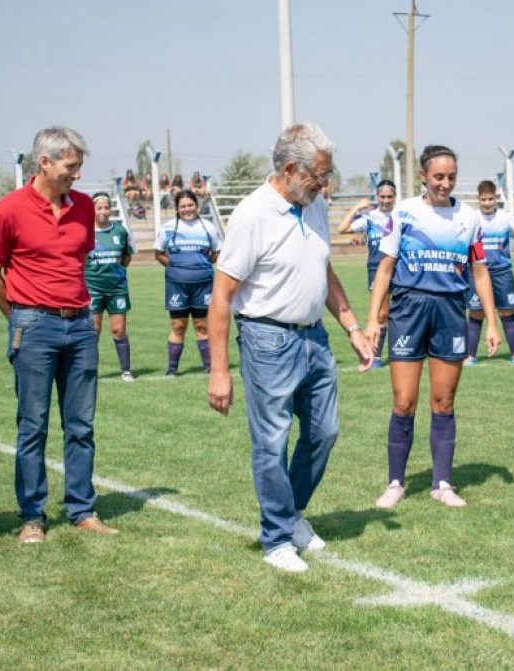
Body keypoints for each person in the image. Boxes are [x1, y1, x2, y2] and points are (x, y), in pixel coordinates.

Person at [206, 122, 371, 573]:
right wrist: (219, 371)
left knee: (325, 431)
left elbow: (324, 270)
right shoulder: (252, 215)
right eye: (320, 174)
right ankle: (277, 537)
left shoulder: (312, 205)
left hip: (314, 339)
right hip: (267, 340)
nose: (326, 184)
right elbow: (221, 296)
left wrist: (351, 326)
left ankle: (291, 513)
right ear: (291, 168)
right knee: (272, 440)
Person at [0, 126, 118, 543]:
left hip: (80, 325)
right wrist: (20, 315)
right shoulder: (7, 210)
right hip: (34, 326)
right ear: (45, 162)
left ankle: (82, 510)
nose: (77, 175)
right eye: (71, 166)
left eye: (78, 166)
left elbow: (77, 259)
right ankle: (32, 517)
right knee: (32, 425)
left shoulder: (81, 208)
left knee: (81, 425)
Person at [365, 145, 501, 510]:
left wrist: (491, 321)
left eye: (451, 177)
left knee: (443, 402)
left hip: (450, 311)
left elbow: (479, 271)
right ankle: (396, 483)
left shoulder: (469, 217)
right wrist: (372, 320)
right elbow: (385, 267)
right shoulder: (405, 212)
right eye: (438, 176)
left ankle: (442, 483)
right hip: (409, 309)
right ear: (424, 176)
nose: (445, 183)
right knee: (404, 402)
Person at [154, 189, 220, 376]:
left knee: (202, 325)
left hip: (203, 285)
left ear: (196, 206)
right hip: (177, 285)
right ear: (177, 209)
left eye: (190, 205)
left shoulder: (208, 227)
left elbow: (217, 252)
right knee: (178, 326)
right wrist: (175, 267)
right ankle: (172, 370)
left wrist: (202, 266)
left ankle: (209, 367)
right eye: (182, 206)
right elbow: (158, 253)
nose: (187, 209)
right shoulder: (168, 228)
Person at [464, 180, 514, 366]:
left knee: (506, 312)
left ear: (495, 198)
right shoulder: (471, 218)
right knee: (476, 312)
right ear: (478, 199)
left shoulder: (506, 217)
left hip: (502, 272)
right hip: (476, 272)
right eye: (483, 199)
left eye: (490, 199)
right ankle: (470, 355)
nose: (487, 203)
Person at [336, 179, 397, 369]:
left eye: (389, 197)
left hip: (400, 267)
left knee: (402, 312)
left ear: (395, 197)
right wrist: (356, 207)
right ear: (377, 197)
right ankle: (376, 356)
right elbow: (342, 228)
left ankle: (402, 352)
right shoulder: (370, 217)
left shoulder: (401, 215)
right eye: (382, 196)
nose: (386, 200)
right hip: (376, 268)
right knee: (381, 313)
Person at [86, 192, 135, 381]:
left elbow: (126, 257)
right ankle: (90, 371)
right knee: (93, 330)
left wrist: (117, 274)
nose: (103, 212)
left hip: (117, 289)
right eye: (99, 208)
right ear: (93, 209)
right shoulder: (85, 232)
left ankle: (126, 370)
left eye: (106, 208)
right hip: (92, 289)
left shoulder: (120, 231)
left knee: (119, 330)